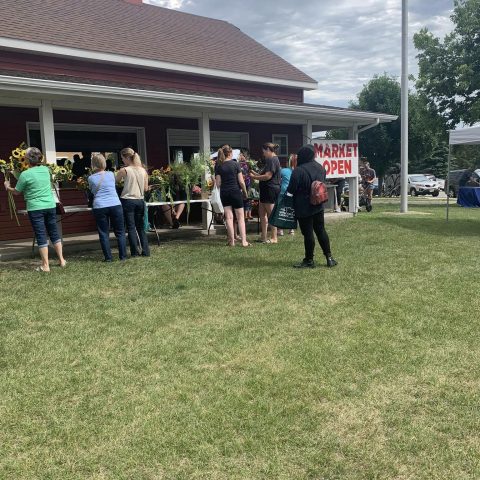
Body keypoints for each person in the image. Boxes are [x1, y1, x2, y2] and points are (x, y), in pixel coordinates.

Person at [4, 147, 66, 272]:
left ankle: (45, 265)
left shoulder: (25, 174)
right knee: (54, 232)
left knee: (41, 234)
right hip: (50, 205)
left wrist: (7, 187)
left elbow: (16, 192)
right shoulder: (47, 170)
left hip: (35, 207)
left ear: (27, 159)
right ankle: (62, 260)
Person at [286, 144, 337, 268]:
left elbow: (291, 190)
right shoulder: (320, 168)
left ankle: (309, 260)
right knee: (321, 230)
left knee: (308, 233)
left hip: (303, 206)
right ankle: (329, 258)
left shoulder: (299, 170)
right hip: (318, 204)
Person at [88, 153, 127, 262]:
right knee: (120, 232)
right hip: (115, 204)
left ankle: (108, 258)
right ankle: (123, 256)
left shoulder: (91, 178)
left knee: (104, 233)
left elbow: (92, 191)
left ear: (93, 164)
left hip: (100, 206)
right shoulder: (111, 174)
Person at [116, 147, 150, 257]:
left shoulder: (124, 170)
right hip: (140, 200)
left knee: (131, 227)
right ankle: (146, 251)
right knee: (140, 227)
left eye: (122, 158)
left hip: (128, 200)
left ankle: (134, 252)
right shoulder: (143, 170)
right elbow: (145, 189)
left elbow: (115, 182)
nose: (122, 161)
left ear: (126, 158)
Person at [214, 144, 250, 247]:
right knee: (240, 218)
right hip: (235, 191)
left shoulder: (218, 165)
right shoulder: (235, 164)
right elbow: (241, 182)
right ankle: (244, 241)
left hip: (224, 193)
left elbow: (218, 183)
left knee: (229, 218)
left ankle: (231, 241)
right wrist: (245, 192)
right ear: (230, 153)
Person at [250, 142, 281, 243]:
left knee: (271, 214)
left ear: (268, 150)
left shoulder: (273, 160)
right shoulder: (269, 160)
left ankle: (274, 237)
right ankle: (263, 237)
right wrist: (253, 173)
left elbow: (268, 176)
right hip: (265, 190)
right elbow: (262, 174)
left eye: (264, 152)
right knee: (262, 213)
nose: (263, 154)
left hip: (270, 189)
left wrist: (255, 177)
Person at [278, 153, 297, 236]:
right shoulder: (297, 171)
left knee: (281, 210)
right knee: (291, 211)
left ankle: (280, 230)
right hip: (293, 193)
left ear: (287, 162)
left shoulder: (283, 170)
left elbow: (277, 180)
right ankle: (291, 229)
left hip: (283, 192)